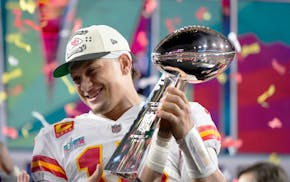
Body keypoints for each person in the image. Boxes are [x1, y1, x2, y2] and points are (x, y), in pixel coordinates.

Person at [30, 24, 225, 182]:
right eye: (77, 79)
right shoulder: (54, 139)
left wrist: (188, 136)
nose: (86, 85)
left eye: (92, 71)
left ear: (124, 63)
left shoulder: (187, 113)